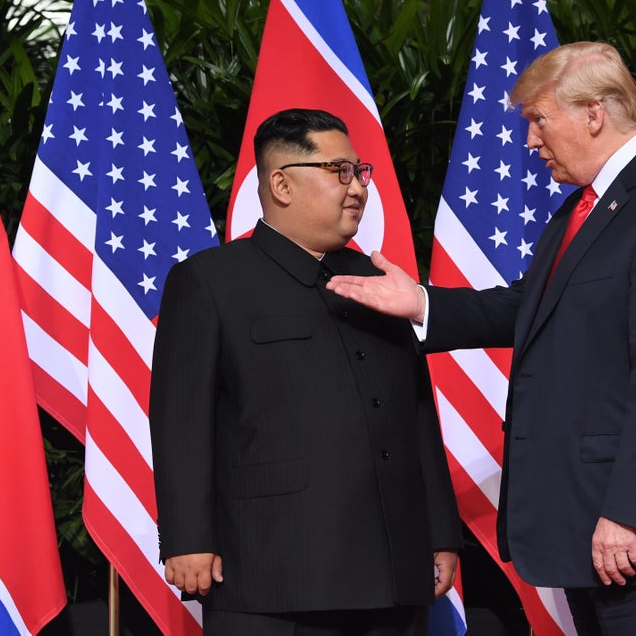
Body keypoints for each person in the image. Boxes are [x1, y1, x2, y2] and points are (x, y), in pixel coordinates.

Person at [327, 42, 636, 635]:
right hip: (592, 529)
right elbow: (532, 305)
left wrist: (628, 514)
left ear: (594, 113)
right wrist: (421, 302)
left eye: (539, 119)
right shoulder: (587, 207)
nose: (530, 141)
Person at [149, 108, 461, 636]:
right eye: (339, 171)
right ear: (281, 184)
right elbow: (181, 420)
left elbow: (415, 414)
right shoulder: (210, 280)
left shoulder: (381, 280)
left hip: (393, 568)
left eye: (361, 172)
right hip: (271, 575)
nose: (358, 188)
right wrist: (186, 538)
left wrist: (440, 532)